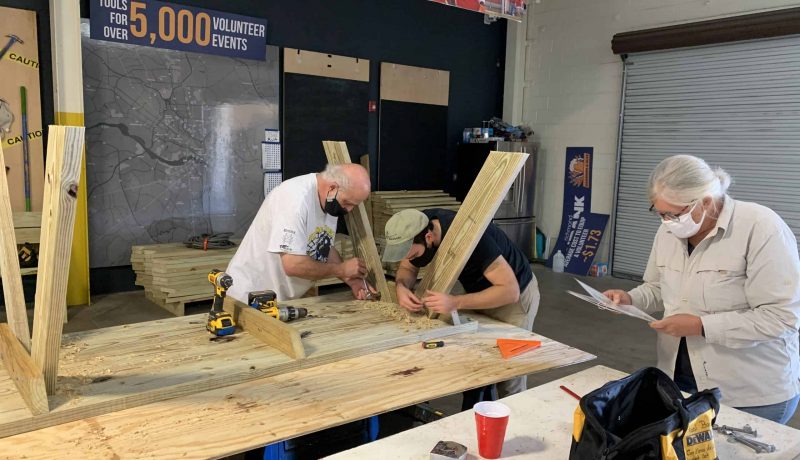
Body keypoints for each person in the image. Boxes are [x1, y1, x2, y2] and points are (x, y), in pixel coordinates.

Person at [604, 155, 800, 424]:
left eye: (675, 213)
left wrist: (701, 326)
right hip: (679, 382)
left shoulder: (761, 228)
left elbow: (782, 318)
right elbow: (659, 287)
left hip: (748, 394)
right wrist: (629, 298)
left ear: (706, 201)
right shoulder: (668, 231)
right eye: (660, 213)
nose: (668, 221)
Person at [382, 208, 540, 397]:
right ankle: (477, 406)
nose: (410, 260)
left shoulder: (470, 236)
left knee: (509, 374)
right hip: (479, 288)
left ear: (428, 237)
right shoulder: (415, 224)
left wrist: (455, 302)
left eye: (414, 255)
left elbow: (509, 291)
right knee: (477, 357)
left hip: (514, 297)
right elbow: (407, 267)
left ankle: (512, 417)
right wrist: (401, 287)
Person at [226, 163, 375, 303]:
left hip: (277, 300)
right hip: (247, 296)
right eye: (347, 203)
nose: (349, 210)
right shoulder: (294, 199)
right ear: (332, 187)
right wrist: (341, 269)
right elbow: (293, 265)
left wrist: (350, 279)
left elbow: (323, 246)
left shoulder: (330, 200)